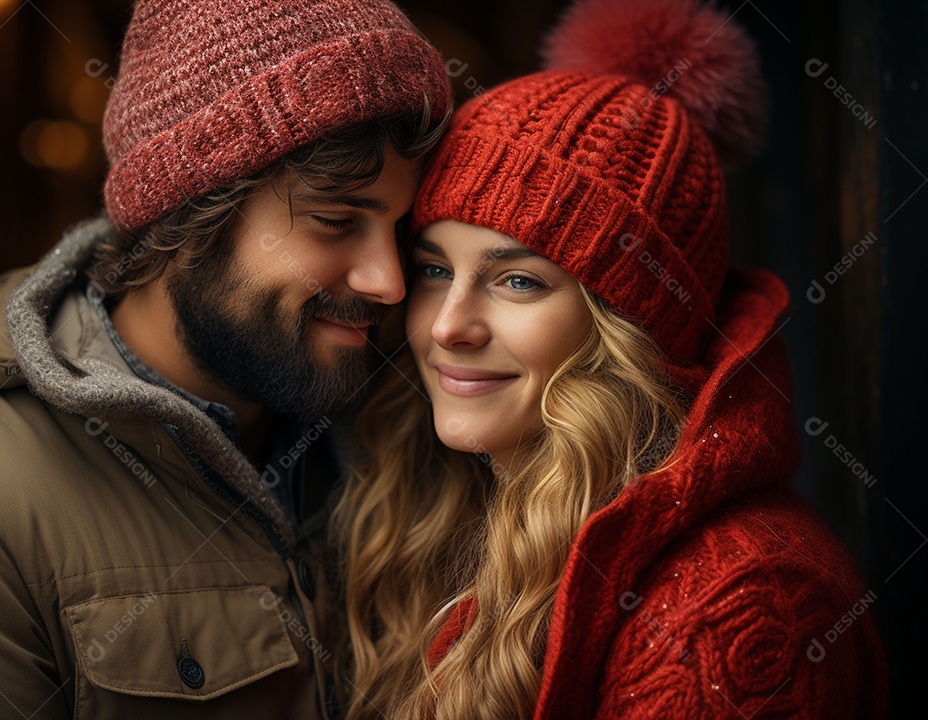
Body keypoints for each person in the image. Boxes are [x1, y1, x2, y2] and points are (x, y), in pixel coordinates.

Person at [0, 0, 450, 717]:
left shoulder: (405, 453)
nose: (388, 281)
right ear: (186, 215)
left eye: (400, 230)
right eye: (334, 220)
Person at [332, 0, 887, 718]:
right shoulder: (448, 518)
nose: (447, 326)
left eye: (518, 281)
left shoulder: (743, 605)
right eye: (435, 270)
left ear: (626, 326)